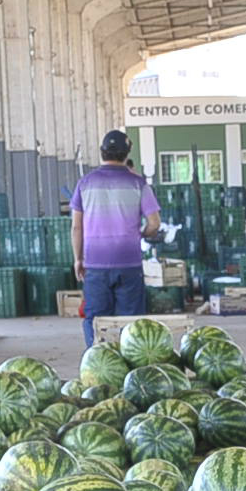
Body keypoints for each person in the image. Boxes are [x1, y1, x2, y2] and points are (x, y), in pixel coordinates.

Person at [71, 130, 162, 347]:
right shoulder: (138, 184)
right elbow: (155, 223)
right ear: (127, 153)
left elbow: (76, 226)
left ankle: (96, 363)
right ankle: (129, 368)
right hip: (129, 262)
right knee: (131, 322)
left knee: (96, 320)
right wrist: (139, 234)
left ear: (102, 153)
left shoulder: (85, 183)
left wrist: (78, 259)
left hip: (95, 263)